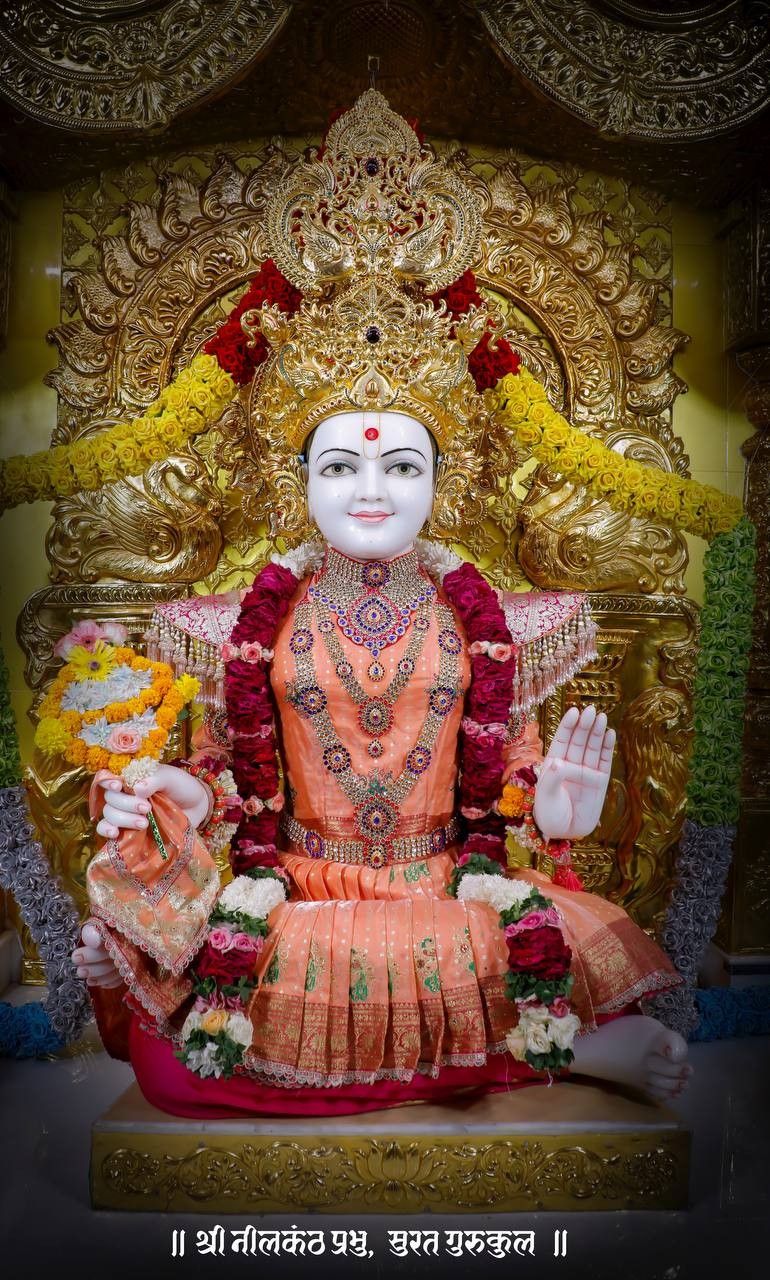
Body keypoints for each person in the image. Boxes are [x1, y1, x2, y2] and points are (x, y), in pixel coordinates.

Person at [71, 92, 691, 1117]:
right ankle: (559, 1050)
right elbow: (221, 785)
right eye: (341, 467)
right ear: (298, 483)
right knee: (173, 1060)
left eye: (402, 465)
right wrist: (172, 797)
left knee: (520, 934)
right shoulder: (232, 625)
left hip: (449, 893)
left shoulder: (495, 623)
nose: (371, 490)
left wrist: (553, 808)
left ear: (438, 483)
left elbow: (514, 779)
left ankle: (549, 1043)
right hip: (295, 901)